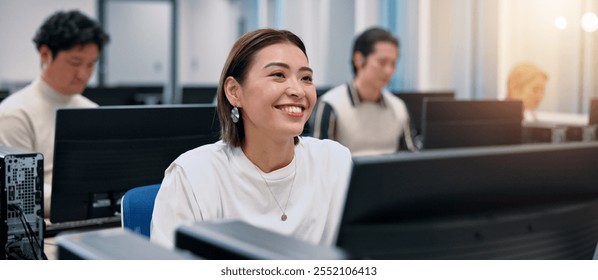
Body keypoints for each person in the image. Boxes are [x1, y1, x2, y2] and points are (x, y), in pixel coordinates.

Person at [150, 29, 353, 248]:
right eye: (278, 75)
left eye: (306, 78)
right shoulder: (193, 174)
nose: (297, 90)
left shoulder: (335, 161)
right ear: (234, 91)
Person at [0, 10, 109, 218]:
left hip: (91, 220)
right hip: (46, 227)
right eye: (75, 63)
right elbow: (21, 194)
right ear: (45, 55)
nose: (84, 74)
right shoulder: (14, 114)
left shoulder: (92, 111)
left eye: (91, 64)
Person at [311, 27, 415, 156]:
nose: (389, 71)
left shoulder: (398, 107)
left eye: (393, 64)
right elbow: (320, 160)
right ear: (359, 60)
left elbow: (411, 156)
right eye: (382, 62)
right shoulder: (330, 104)